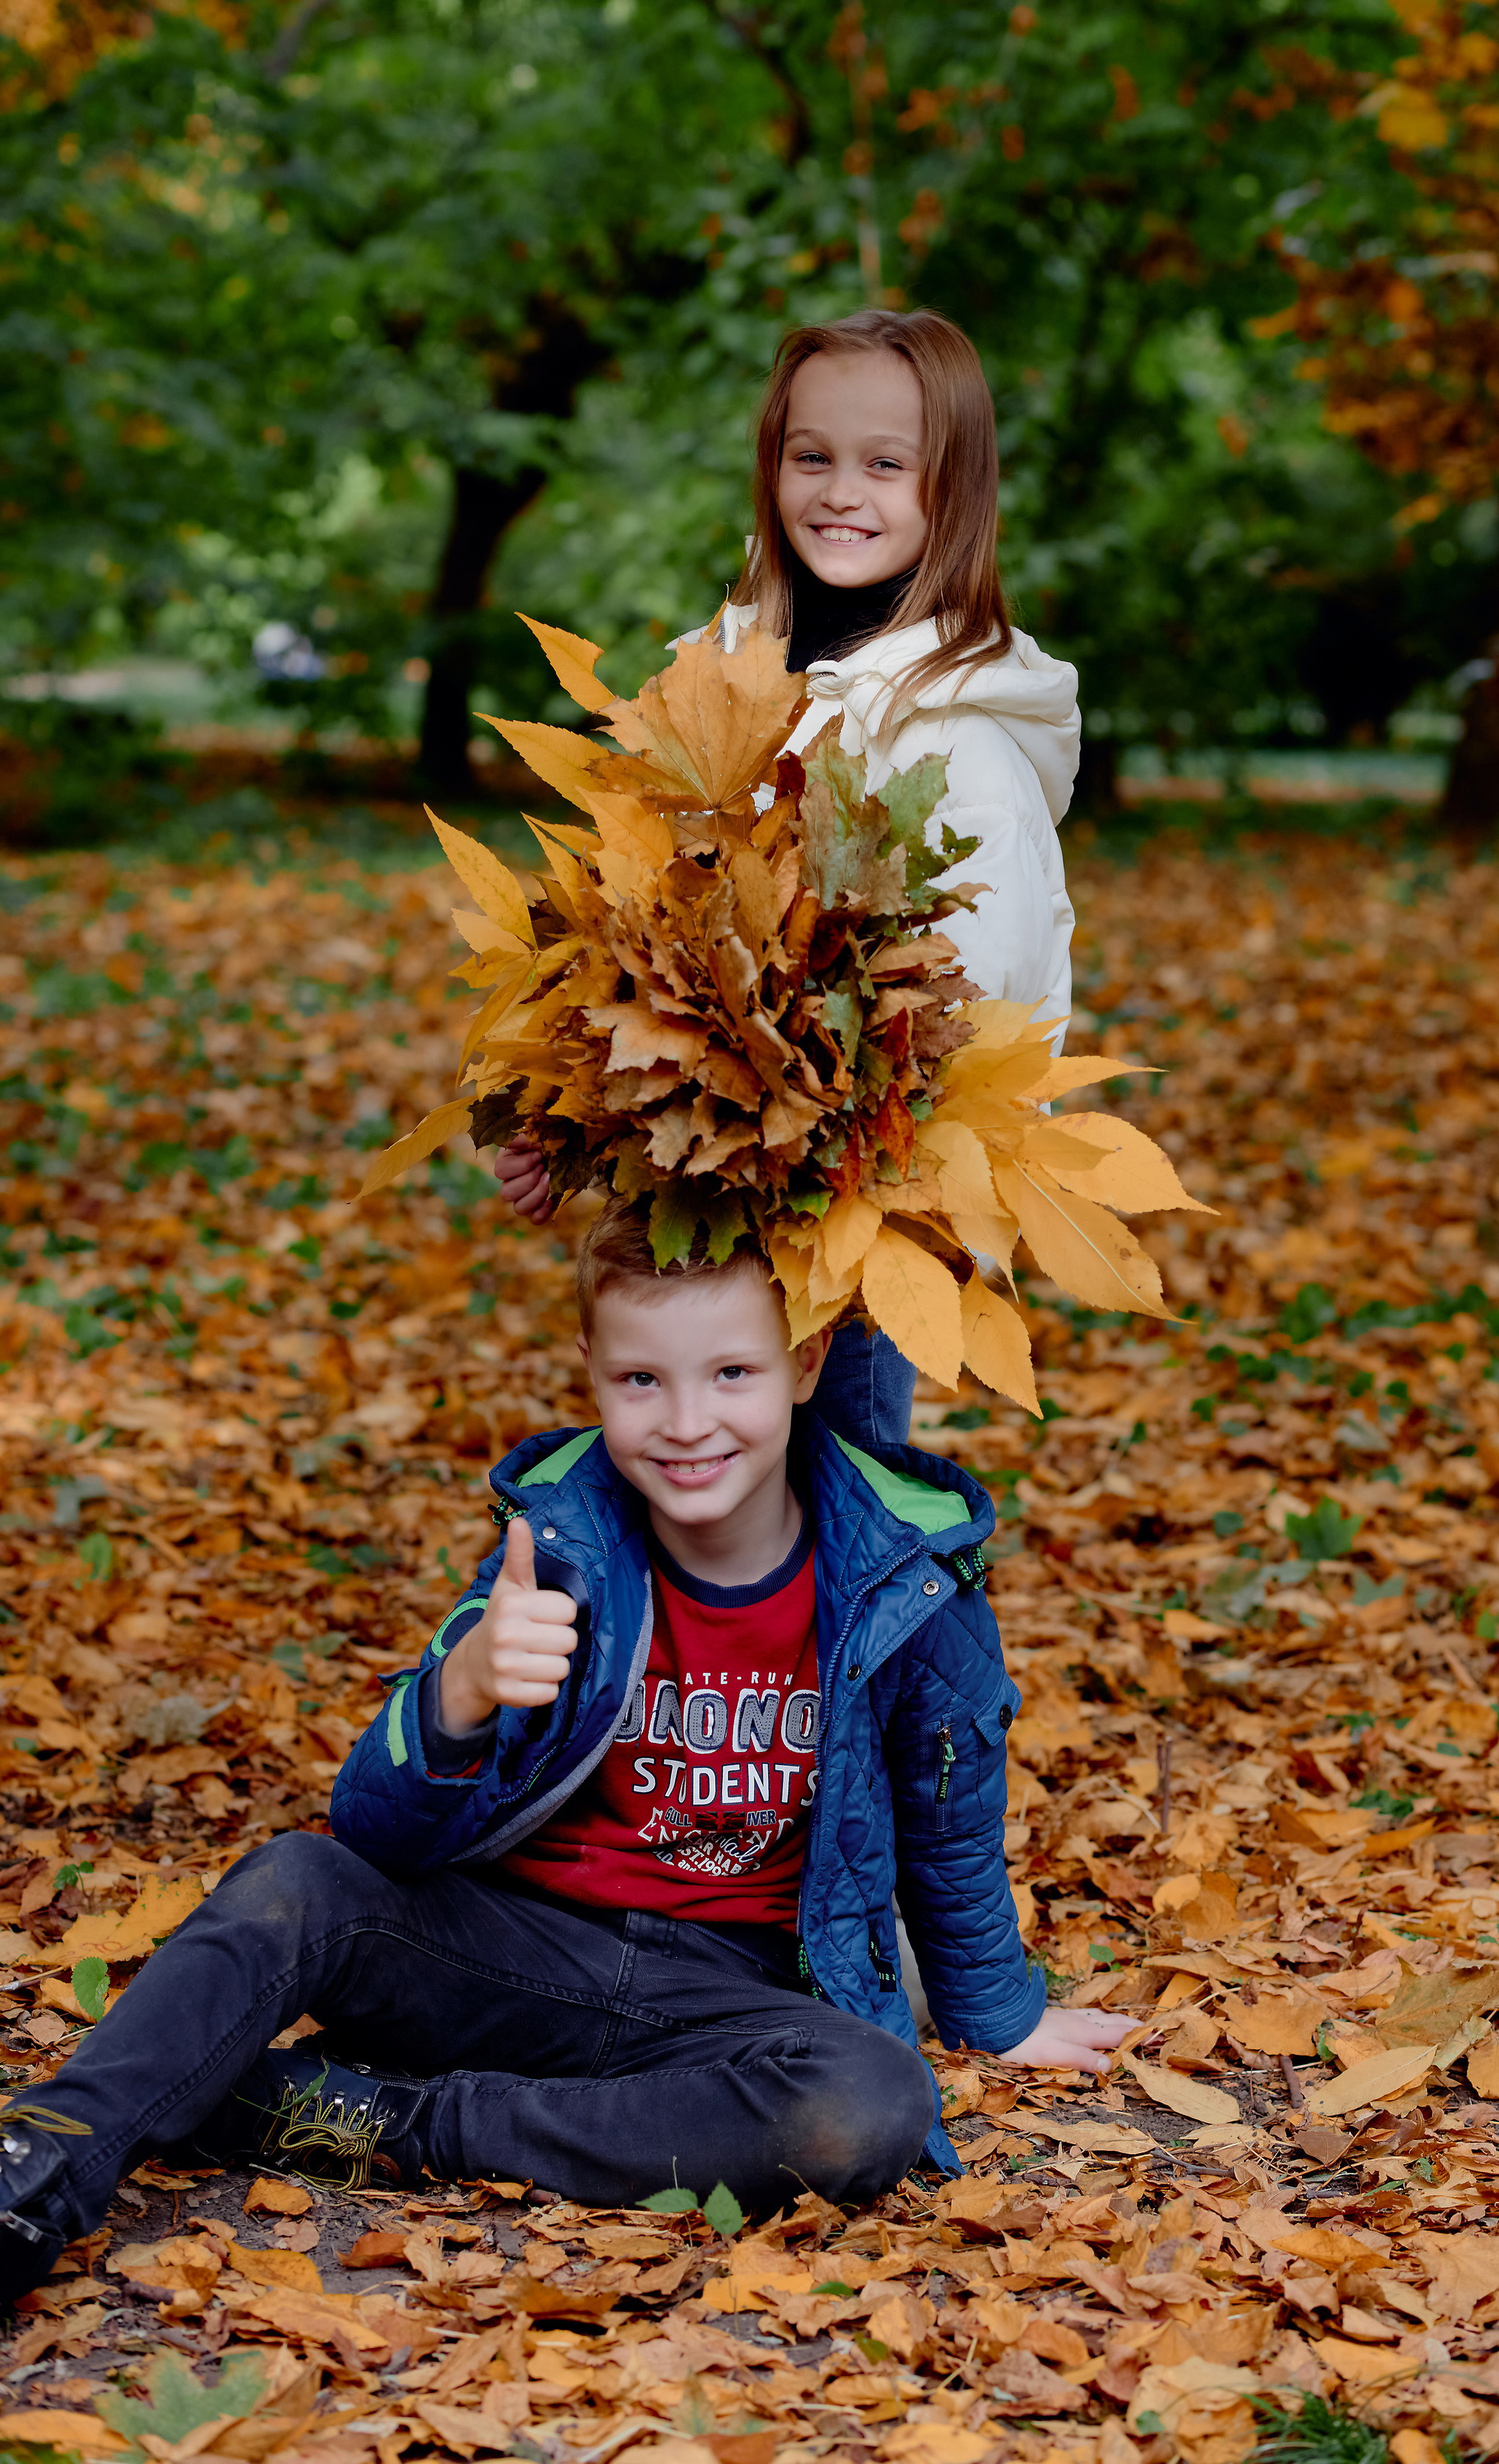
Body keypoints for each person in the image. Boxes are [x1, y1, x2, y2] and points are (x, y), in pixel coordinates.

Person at [0, 1206, 1130, 2299]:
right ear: (591, 1370)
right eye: (642, 1380)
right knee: (298, 1882)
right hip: (513, 1953)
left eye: (731, 1373)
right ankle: (39, 2165)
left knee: (867, 2102)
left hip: (725, 1992)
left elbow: (949, 1808)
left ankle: (385, 2121)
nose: (686, 1422)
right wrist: (462, 1690)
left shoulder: (905, 1577)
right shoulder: (558, 1547)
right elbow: (372, 1831)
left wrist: (998, 2013)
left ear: (804, 1361)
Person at [495, 307, 1081, 1456]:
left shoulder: (960, 751)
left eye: (886, 464)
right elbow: (645, 937)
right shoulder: (719, 688)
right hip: (696, 1222)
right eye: (812, 456)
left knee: (842, 1514)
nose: (840, 492)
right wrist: (570, 1124)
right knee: (702, 1518)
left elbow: (975, 1038)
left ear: (955, 487)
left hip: (846, 1244)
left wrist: (897, 1215)